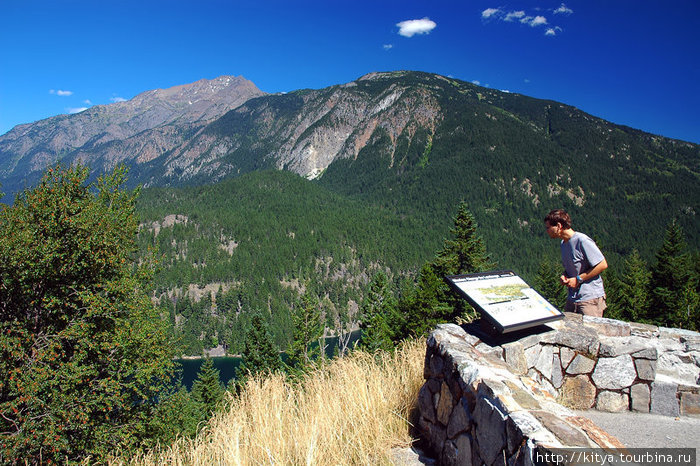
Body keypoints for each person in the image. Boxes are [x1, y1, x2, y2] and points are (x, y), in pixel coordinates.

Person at [544, 209, 608, 317]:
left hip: (590, 299)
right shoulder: (564, 243)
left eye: (548, 227)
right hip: (573, 298)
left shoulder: (582, 240)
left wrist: (578, 279)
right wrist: (565, 275)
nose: (547, 231)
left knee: (591, 332)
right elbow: (572, 267)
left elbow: (602, 264)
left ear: (559, 226)